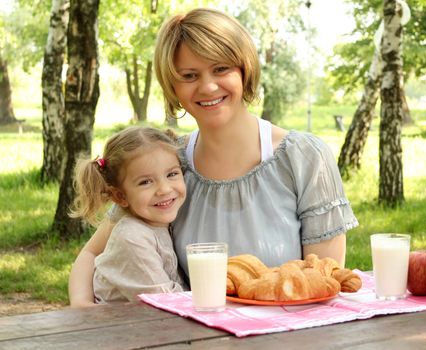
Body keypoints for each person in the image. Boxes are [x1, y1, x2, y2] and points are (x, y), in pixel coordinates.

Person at [68, 8, 358, 307]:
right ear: (173, 87)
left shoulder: (303, 157)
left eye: (221, 69)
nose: (207, 86)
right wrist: (82, 310)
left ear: (244, 70)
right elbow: (91, 254)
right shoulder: (168, 165)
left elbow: (322, 285)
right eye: (189, 75)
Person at [69, 126, 186, 303]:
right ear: (120, 196)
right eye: (145, 182)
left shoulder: (156, 224)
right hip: (118, 328)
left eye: (172, 174)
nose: (164, 189)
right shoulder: (132, 237)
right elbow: (167, 302)